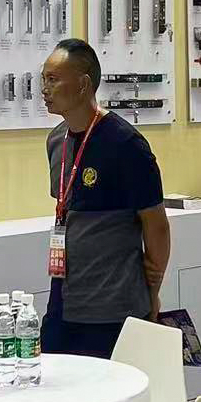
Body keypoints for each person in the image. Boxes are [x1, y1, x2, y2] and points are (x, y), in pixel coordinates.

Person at [39, 38, 169, 358]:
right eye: (44, 79)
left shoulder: (126, 144)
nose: (44, 88)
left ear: (83, 85)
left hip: (113, 309)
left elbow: (156, 227)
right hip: (64, 303)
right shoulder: (56, 141)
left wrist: (152, 291)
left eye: (53, 79)